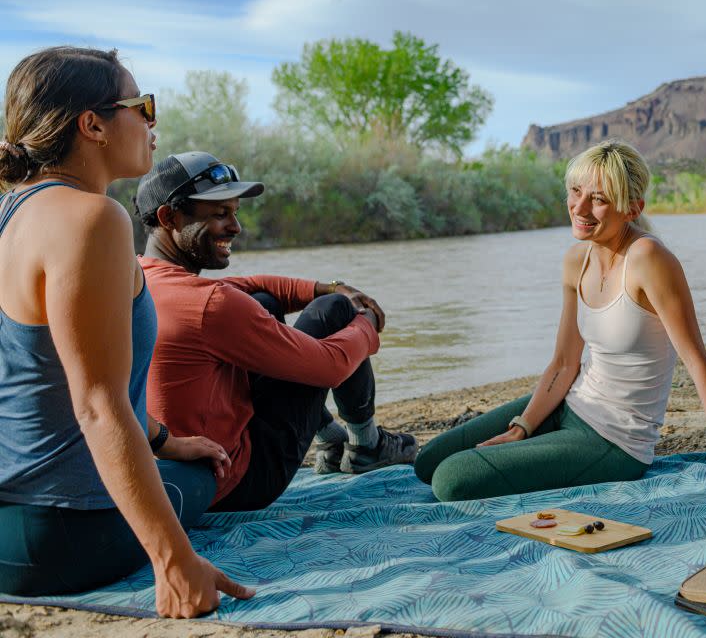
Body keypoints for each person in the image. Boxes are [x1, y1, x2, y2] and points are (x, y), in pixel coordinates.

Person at [0, 47, 254, 614]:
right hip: (64, 542)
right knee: (207, 469)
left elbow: (37, 378)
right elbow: (95, 403)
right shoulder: (93, 219)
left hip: (9, 535)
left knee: (179, 455)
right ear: (91, 124)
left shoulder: (8, 216)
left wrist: (162, 438)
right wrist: (174, 560)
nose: (152, 120)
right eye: (141, 104)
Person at [414, 139, 706, 501]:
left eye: (598, 199)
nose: (579, 208)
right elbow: (566, 361)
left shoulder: (649, 259)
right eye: (575, 192)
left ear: (632, 208)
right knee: (428, 462)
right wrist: (524, 426)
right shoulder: (576, 260)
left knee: (450, 480)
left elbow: (696, 360)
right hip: (570, 403)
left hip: (614, 440)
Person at [135, 151, 418, 513]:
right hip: (238, 481)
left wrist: (329, 285)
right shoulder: (211, 304)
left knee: (263, 300)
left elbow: (251, 284)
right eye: (220, 214)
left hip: (173, 469)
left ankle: (330, 439)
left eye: (235, 212)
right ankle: (367, 444)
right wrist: (364, 321)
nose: (235, 226)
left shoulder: (139, 281)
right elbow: (332, 365)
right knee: (334, 313)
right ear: (169, 216)